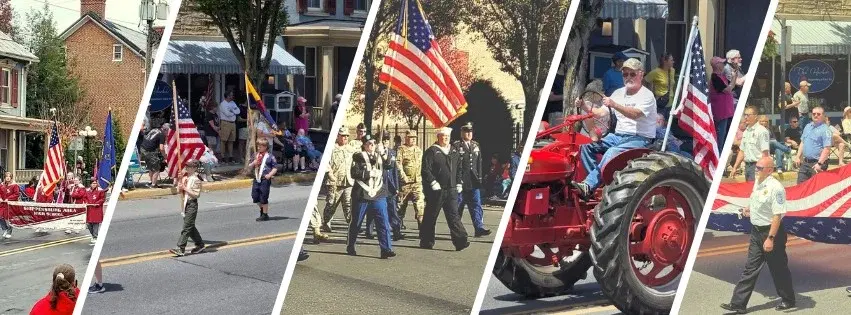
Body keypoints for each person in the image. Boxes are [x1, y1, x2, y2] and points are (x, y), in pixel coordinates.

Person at [570, 58, 657, 199]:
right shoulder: (618, 93)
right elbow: (601, 113)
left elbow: (634, 114)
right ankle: (593, 186)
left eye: (632, 74)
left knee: (612, 152)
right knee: (586, 147)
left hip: (640, 139)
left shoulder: (647, 95)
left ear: (641, 74)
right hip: (618, 136)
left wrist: (615, 105)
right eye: (625, 74)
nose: (628, 77)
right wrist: (585, 106)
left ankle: (589, 185)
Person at [720, 156, 795, 313]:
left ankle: (788, 300)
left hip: (771, 233)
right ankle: (738, 304)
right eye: (756, 166)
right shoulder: (758, 182)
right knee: (750, 268)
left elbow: (777, 215)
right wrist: (749, 209)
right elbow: (756, 202)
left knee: (778, 268)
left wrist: (770, 239)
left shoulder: (776, 188)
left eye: (760, 168)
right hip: (756, 231)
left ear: (769, 170)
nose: (756, 169)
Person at [420, 127, 469, 251]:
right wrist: (432, 182)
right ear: (438, 137)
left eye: (447, 136)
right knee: (431, 215)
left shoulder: (454, 151)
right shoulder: (432, 151)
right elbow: (425, 170)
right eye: (443, 136)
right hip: (437, 190)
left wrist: (459, 183)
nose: (445, 138)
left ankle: (461, 241)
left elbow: (459, 169)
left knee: (454, 216)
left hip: (451, 189)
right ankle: (427, 241)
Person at [347, 134, 395, 258]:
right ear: (364, 145)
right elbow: (354, 173)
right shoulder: (358, 157)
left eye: (373, 143)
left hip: (379, 193)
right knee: (356, 222)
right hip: (362, 194)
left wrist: (383, 152)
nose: (372, 145)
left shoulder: (380, 155)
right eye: (369, 143)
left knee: (383, 222)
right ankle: (351, 245)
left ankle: (386, 249)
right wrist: (369, 173)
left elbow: (390, 165)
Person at [453, 122, 491, 237]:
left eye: (470, 132)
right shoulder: (456, 146)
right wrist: (456, 181)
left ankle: (478, 228)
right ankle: (456, 231)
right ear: (462, 133)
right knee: (458, 206)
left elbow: (479, 162)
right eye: (466, 131)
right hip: (461, 182)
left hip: (474, 181)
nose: (469, 134)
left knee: (476, 204)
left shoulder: (475, 145)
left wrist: (480, 177)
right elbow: (454, 165)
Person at [365, 132, 404, 241]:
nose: (385, 142)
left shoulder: (392, 152)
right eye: (383, 140)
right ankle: (369, 231)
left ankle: (396, 231)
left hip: (390, 185)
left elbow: (393, 169)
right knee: (373, 209)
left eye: (387, 140)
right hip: (378, 184)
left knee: (392, 209)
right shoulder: (373, 152)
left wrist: (397, 186)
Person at [319, 127, 353, 236]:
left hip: (348, 181)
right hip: (334, 181)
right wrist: (329, 173)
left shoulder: (351, 149)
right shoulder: (332, 148)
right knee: (331, 203)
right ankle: (326, 221)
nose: (345, 138)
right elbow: (325, 162)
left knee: (348, 203)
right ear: (338, 136)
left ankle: (351, 224)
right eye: (343, 136)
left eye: (347, 136)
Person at [169, 159, 205, 256]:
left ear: (195, 168)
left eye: (190, 166)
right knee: (190, 226)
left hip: (192, 204)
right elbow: (178, 191)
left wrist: (185, 188)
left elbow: (196, 194)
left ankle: (181, 248)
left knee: (186, 227)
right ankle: (200, 244)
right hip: (185, 204)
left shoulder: (196, 179)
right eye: (187, 166)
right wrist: (180, 182)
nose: (187, 168)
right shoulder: (185, 178)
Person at [794, 107, 832, 184]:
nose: (816, 115)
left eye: (818, 114)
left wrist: (819, 164)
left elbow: (827, 149)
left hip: (818, 163)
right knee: (800, 186)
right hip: (805, 162)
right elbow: (802, 142)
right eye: (814, 114)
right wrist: (798, 156)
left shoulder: (825, 130)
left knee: (816, 189)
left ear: (823, 116)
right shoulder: (807, 126)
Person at [731, 107, 769, 182]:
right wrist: (735, 167)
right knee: (749, 190)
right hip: (747, 166)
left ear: (755, 116)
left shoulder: (762, 131)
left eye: (748, 115)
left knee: (756, 191)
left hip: (757, 166)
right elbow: (742, 151)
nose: (745, 117)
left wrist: (761, 169)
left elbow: (765, 153)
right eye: (745, 115)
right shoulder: (746, 132)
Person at [397, 130, 424, 230]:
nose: (413, 139)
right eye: (411, 137)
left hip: (417, 183)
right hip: (405, 183)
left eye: (414, 138)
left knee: (420, 207)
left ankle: (422, 229)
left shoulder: (418, 150)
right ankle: (397, 229)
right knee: (401, 207)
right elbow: (398, 164)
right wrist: (403, 176)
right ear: (406, 138)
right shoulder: (401, 149)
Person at [246, 138, 277, 222]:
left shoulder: (270, 157)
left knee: (264, 197)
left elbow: (275, 168)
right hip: (256, 178)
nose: (258, 147)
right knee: (255, 196)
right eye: (258, 146)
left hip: (265, 179)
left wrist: (269, 175)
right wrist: (254, 163)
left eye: (260, 146)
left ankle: (265, 214)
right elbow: (249, 166)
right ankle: (262, 209)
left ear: (265, 147)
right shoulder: (255, 155)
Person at [710, 56, 737, 150]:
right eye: (721, 63)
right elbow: (727, 89)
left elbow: (732, 86)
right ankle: (719, 153)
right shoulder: (715, 77)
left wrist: (734, 77)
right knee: (720, 133)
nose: (723, 64)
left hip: (726, 111)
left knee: (724, 132)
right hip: (720, 111)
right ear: (717, 65)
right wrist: (734, 78)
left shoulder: (722, 76)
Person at [645, 52, 676, 119]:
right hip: (660, 103)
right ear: (665, 61)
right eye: (671, 60)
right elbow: (645, 81)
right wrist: (650, 94)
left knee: (668, 124)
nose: (673, 62)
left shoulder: (672, 71)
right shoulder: (656, 72)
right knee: (659, 124)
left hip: (670, 103)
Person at [139, 124, 169, 188]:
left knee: (151, 167)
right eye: (168, 132)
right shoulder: (162, 135)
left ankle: (150, 182)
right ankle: (153, 185)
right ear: (166, 130)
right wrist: (165, 156)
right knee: (157, 168)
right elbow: (161, 148)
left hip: (143, 148)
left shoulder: (155, 129)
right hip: (149, 151)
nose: (168, 134)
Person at [218, 91, 240, 163]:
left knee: (231, 140)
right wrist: (234, 111)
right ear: (227, 96)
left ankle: (231, 156)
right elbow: (227, 114)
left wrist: (232, 111)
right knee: (223, 140)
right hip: (225, 123)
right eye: (231, 95)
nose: (232, 96)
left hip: (233, 123)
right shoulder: (223, 104)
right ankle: (222, 157)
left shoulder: (233, 103)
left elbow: (238, 111)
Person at [83, 178, 105, 244]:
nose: (94, 184)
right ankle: (93, 235)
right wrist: (86, 202)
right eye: (93, 183)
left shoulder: (100, 190)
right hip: (89, 209)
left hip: (96, 209)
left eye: (95, 183)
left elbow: (102, 199)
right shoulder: (87, 190)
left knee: (95, 223)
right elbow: (84, 197)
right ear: (90, 184)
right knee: (88, 223)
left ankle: (95, 236)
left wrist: (97, 203)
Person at [0, 172, 18, 239]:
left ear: (11, 177)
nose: (7, 177)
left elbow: (16, 194)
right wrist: (0, 198)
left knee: (9, 219)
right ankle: (5, 229)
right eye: (6, 176)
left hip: (10, 204)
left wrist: (8, 199)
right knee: (0, 217)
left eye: (9, 176)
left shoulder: (14, 185)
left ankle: (9, 231)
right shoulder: (2, 185)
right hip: (2, 204)